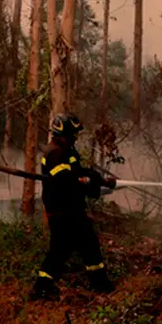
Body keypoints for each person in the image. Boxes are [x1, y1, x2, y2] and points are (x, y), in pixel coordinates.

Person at [31, 113, 117, 300]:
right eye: (73, 133)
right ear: (64, 133)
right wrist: (92, 186)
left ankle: (98, 284)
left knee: (82, 246)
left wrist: (99, 179)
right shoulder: (55, 153)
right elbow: (66, 182)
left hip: (71, 209)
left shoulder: (67, 152)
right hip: (63, 211)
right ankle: (43, 287)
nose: (76, 137)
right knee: (68, 248)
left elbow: (78, 173)